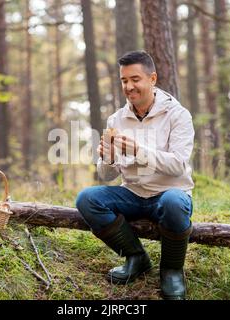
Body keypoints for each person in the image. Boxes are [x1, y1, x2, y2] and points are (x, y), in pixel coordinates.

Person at [75, 50, 195, 300]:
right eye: (124, 80)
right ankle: (136, 257)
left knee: (174, 203)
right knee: (87, 199)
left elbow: (177, 166)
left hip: (169, 195)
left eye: (135, 79)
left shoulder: (178, 115)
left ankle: (172, 270)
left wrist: (138, 151)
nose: (129, 86)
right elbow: (107, 176)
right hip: (131, 194)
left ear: (152, 79)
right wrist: (107, 158)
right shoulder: (116, 119)